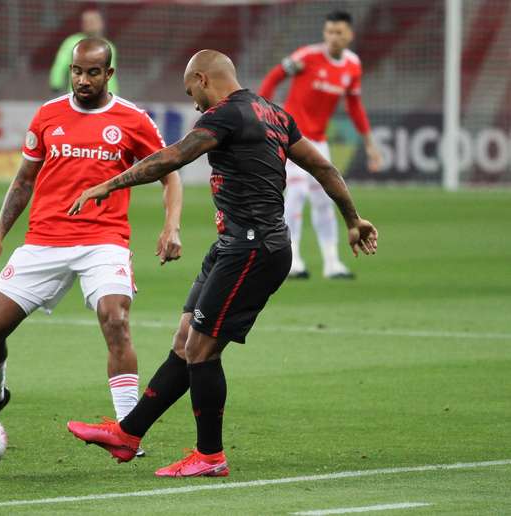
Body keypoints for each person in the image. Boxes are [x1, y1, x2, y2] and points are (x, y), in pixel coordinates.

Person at [66, 50, 378, 477]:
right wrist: (352, 218)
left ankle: (210, 456)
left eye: (190, 90)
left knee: (201, 350)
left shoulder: (227, 114)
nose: (193, 101)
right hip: (234, 243)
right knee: (184, 340)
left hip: (253, 248)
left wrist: (110, 183)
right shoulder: (273, 114)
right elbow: (323, 167)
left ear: (200, 78)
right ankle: (128, 433)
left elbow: (172, 157)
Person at [0, 39, 182, 454]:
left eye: (92, 72)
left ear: (109, 74)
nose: (82, 80)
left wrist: (170, 227)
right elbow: (24, 181)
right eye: (76, 71)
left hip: (104, 240)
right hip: (44, 241)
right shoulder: (49, 115)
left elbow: (170, 173)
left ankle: (128, 432)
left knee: (116, 318)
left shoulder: (132, 119)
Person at [258, 10, 381, 279]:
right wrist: (261, 113)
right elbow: (274, 76)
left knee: (326, 199)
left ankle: (332, 262)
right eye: (329, 32)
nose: (333, 38)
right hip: (292, 137)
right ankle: (292, 259)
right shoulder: (306, 56)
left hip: (319, 141)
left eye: (338, 32)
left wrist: (370, 143)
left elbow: (355, 106)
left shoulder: (352, 65)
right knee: (297, 193)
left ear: (350, 35)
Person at [50, 9, 119, 94]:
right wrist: (56, 83)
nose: (90, 24)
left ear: (101, 23)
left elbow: (111, 71)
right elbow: (60, 64)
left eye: (93, 21)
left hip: (106, 94)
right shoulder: (71, 42)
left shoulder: (109, 45)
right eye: (87, 22)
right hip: (80, 93)